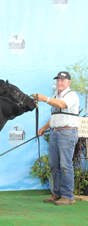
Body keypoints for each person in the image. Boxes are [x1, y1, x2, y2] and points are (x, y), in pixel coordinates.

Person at [33, 71, 79, 206]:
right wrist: (44, 128)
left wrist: (44, 98)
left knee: (65, 165)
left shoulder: (71, 95)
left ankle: (68, 195)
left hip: (67, 133)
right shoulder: (56, 96)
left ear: (69, 82)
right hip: (54, 132)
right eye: (58, 80)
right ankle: (57, 193)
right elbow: (55, 116)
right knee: (54, 165)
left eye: (63, 80)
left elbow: (62, 105)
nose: (59, 82)